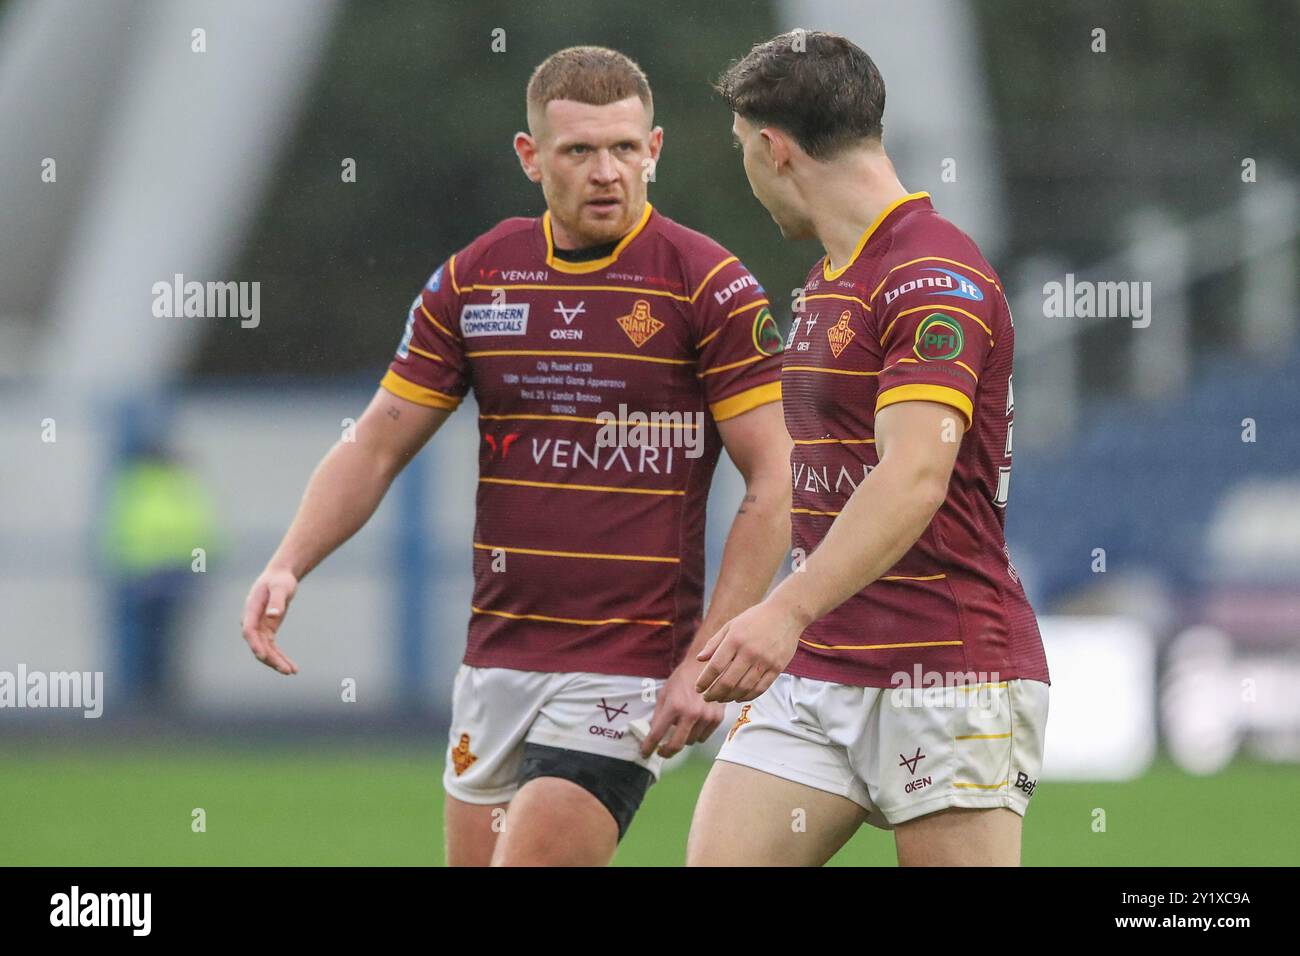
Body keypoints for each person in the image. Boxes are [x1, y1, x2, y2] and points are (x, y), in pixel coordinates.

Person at [240, 46, 792, 866]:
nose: (607, 172)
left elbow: (777, 480)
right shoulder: (477, 278)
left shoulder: (705, 283)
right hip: (496, 660)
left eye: (625, 148)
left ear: (656, 150)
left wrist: (707, 657)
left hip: (627, 667)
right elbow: (379, 441)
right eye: (579, 151)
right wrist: (290, 560)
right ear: (531, 158)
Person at [687, 31, 1050, 867]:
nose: (747, 170)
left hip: (948, 672)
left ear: (774, 149)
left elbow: (916, 474)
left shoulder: (932, 275)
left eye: (744, 149)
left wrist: (782, 610)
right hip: (819, 673)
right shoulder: (826, 279)